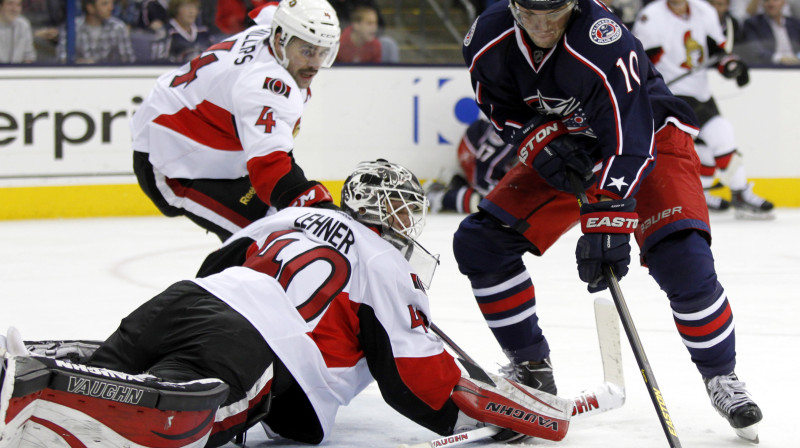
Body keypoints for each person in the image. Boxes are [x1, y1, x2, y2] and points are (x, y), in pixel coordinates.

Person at [0, 160, 573, 448]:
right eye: (402, 209)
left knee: (111, 367)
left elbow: (217, 264)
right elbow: (412, 378)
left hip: (186, 300)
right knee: (174, 416)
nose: (406, 220)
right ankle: (54, 395)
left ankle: (29, 379)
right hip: (258, 344)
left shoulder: (292, 216)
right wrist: (489, 415)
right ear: (387, 213)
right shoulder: (387, 263)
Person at [459, 0, 762, 441]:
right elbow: (497, 103)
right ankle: (531, 370)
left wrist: (606, 220)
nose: (541, 27)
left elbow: (630, 137)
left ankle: (721, 375)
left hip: (650, 134)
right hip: (572, 140)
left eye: (553, 15)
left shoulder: (602, 38)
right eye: (529, 15)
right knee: (481, 243)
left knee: (681, 258)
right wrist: (537, 138)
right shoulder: (487, 36)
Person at [132, 0, 341, 242]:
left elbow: (268, 9)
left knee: (277, 225)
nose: (315, 64)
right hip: (172, 160)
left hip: (198, 141)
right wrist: (323, 209)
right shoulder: (264, 86)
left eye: (323, 52)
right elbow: (271, 169)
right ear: (279, 40)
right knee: (264, 238)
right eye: (307, 51)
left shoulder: (274, 26)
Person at [633, 0, 775, 218]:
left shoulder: (704, 11)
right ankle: (740, 192)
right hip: (668, 94)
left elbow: (717, 51)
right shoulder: (650, 17)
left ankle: (705, 193)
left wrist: (730, 65)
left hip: (700, 91)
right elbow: (638, 61)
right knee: (720, 132)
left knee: (706, 147)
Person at [427, 117, 517, 214]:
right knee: (495, 201)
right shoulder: (509, 131)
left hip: (487, 153)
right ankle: (438, 198)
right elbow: (484, 167)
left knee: (505, 200)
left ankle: (458, 185)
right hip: (473, 153)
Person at [56, 0, 136, 64]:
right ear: (90, 8)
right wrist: (80, 63)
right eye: (105, 4)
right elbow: (62, 59)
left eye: (112, 3)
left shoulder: (118, 28)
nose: (111, 8)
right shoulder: (71, 28)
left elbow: (128, 61)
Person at [741, 0, 800, 65]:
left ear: (783, 2)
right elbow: (756, 51)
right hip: (769, 66)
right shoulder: (753, 24)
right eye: (767, 1)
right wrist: (781, 59)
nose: (771, 4)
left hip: (796, 65)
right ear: (762, 4)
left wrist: (797, 58)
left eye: (775, 0)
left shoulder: (795, 23)